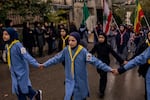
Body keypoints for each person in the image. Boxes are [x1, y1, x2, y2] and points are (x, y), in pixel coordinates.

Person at [40, 32, 114, 100]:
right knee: (68, 96)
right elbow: (55, 59)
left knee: (80, 96)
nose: (70, 43)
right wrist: (44, 64)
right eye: (69, 41)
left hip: (80, 81)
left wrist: (109, 69)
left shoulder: (83, 52)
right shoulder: (66, 50)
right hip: (70, 80)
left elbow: (96, 62)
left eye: (73, 40)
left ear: (77, 41)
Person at [2, 27, 42, 100]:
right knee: (17, 88)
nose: (4, 36)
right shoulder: (7, 46)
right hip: (14, 71)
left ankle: (36, 93)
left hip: (22, 71)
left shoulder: (18, 45)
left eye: (6, 34)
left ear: (12, 35)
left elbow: (26, 55)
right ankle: (35, 94)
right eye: (3, 34)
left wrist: (37, 64)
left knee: (22, 88)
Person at [90, 32, 127, 98]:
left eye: (102, 37)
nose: (100, 39)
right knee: (101, 74)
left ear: (105, 38)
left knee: (103, 77)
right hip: (98, 63)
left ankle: (102, 91)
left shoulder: (108, 46)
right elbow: (91, 53)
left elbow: (114, 54)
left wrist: (122, 61)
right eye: (99, 37)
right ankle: (102, 89)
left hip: (105, 62)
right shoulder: (97, 45)